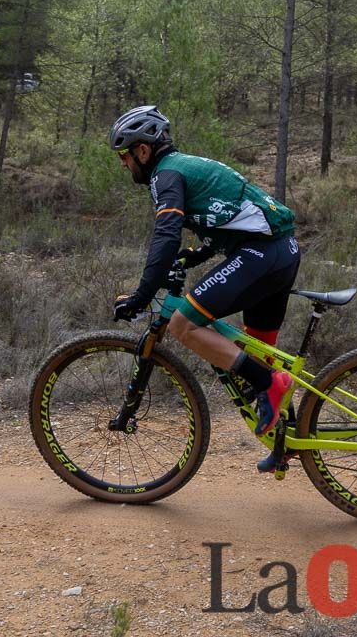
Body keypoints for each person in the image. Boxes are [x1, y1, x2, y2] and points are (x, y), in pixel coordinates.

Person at [108, 106, 300, 471]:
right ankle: (285, 439)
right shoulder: (187, 165)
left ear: (143, 150)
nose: (123, 164)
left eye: (124, 155)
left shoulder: (165, 176)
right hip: (282, 251)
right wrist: (197, 255)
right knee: (256, 348)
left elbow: (165, 235)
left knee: (183, 325)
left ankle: (269, 384)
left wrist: (142, 295)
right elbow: (228, 211)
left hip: (262, 254)